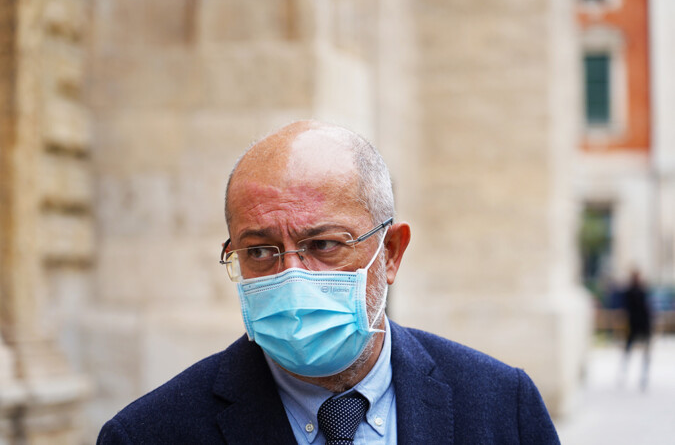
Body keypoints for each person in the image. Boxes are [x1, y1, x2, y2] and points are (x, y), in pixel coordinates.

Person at [98, 120, 560, 444]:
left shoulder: (502, 406)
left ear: (391, 252)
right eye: (260, 251)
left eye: (323, 245)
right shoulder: (149, 435)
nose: (293, 277)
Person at [620, 269, 652, 390]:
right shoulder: (632, 292)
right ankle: (625, 373)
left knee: (644, 351)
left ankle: (643, 376)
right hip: (635, 324)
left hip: (641, 324)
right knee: (629, 350)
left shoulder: (640, 291)